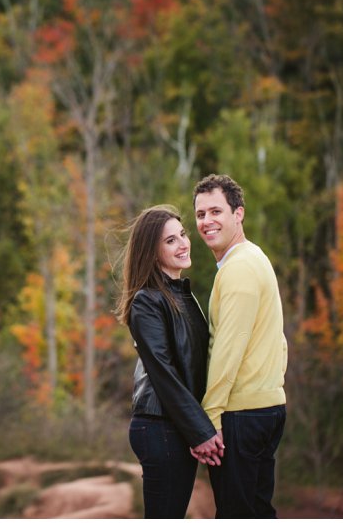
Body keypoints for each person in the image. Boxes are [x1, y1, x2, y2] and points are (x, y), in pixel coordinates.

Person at [116, 204, 224, 518]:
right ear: (151, 252)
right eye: (170, 241)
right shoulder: (147, 301)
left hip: (174, 425)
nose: (183, 243)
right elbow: (164, 374)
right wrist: (200, 431)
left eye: (182, 235)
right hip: (159, 426)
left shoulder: (181, 295)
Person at [191, 174, 288, 518]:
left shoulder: (239, 269)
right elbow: (280, 342)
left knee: (236, 513)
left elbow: (228, 349)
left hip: (241, 414)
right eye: (201, 215)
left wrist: (210, 416)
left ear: (239, 214)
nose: (207, 222)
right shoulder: (253, 259)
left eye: (216, 211)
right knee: (256, 511)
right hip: (265, 407)